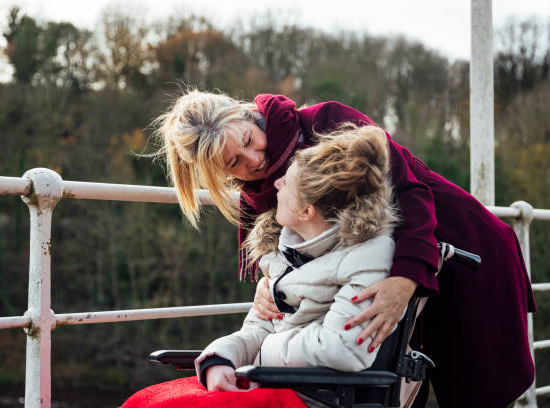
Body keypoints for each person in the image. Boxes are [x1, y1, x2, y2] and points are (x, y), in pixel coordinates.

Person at [150, 89, 536, 407]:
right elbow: (279, 256)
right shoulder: (255, 196)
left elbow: (411, 193)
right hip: (382, 268)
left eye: (250, 141)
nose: (256, 160)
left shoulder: (325, 122)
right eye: (235, 162)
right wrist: (269, 284)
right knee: (404, 377)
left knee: (474, 382)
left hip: (455, 244)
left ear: (250, 117)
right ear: (222, 173)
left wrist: (404, 280)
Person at [197, 124, 399, 396]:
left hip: (315, 396)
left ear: (306, 210)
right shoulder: (280, 250)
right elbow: (258, 328)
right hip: (268, 380)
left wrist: (263, 353)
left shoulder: (366, 257)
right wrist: (219, 359)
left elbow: (344, 348)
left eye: (287, 182)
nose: (277, 183)